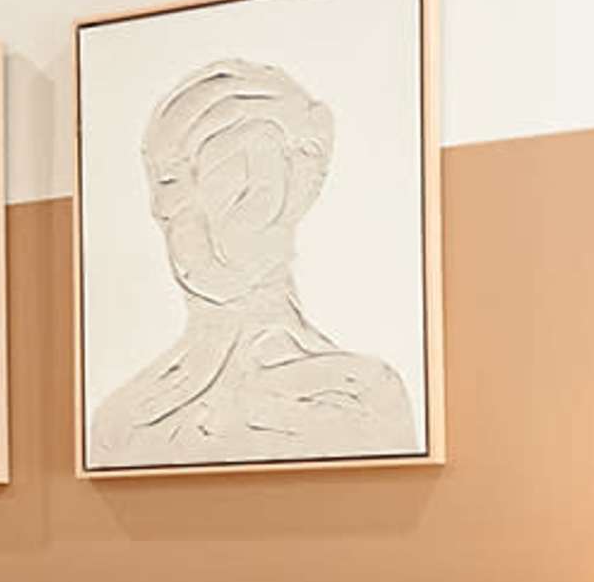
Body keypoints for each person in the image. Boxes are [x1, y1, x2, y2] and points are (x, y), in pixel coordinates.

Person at [90, 57, 414, 464]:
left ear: (295, 189)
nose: (182, 209)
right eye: (171, 181)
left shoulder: (358, 394)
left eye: (236, 179)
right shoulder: (122, 422)